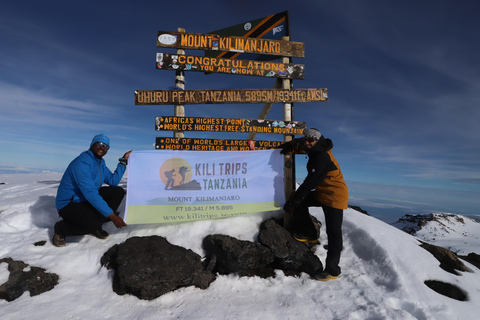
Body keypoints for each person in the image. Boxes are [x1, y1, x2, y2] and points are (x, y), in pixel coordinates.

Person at [280, 128, 348, 281]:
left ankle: (332, 270)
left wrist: (293, 202)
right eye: (306, 139)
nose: (307, 142)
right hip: (322, 191)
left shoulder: (322, 157)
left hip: (335, 196)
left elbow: (310, 182)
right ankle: (309, 234)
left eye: (311, 139)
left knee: (334, 232)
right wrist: (293, 143)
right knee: (300, 202)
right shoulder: (315, 146)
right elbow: (304, 142)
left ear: (318, 140)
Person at [52, 134, 132, 247]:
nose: (102, 148)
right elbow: (91, 194)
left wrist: (123, 162)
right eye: (99, 144)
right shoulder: (81, 164)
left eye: (106, 147)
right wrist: (112, 216)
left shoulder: (100, 163)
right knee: (92, 224)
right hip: (69, 204)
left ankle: (96, 222)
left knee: (117, 191)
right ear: (92, 145)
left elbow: (113, 181)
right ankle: (61, 229)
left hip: (85, 200)